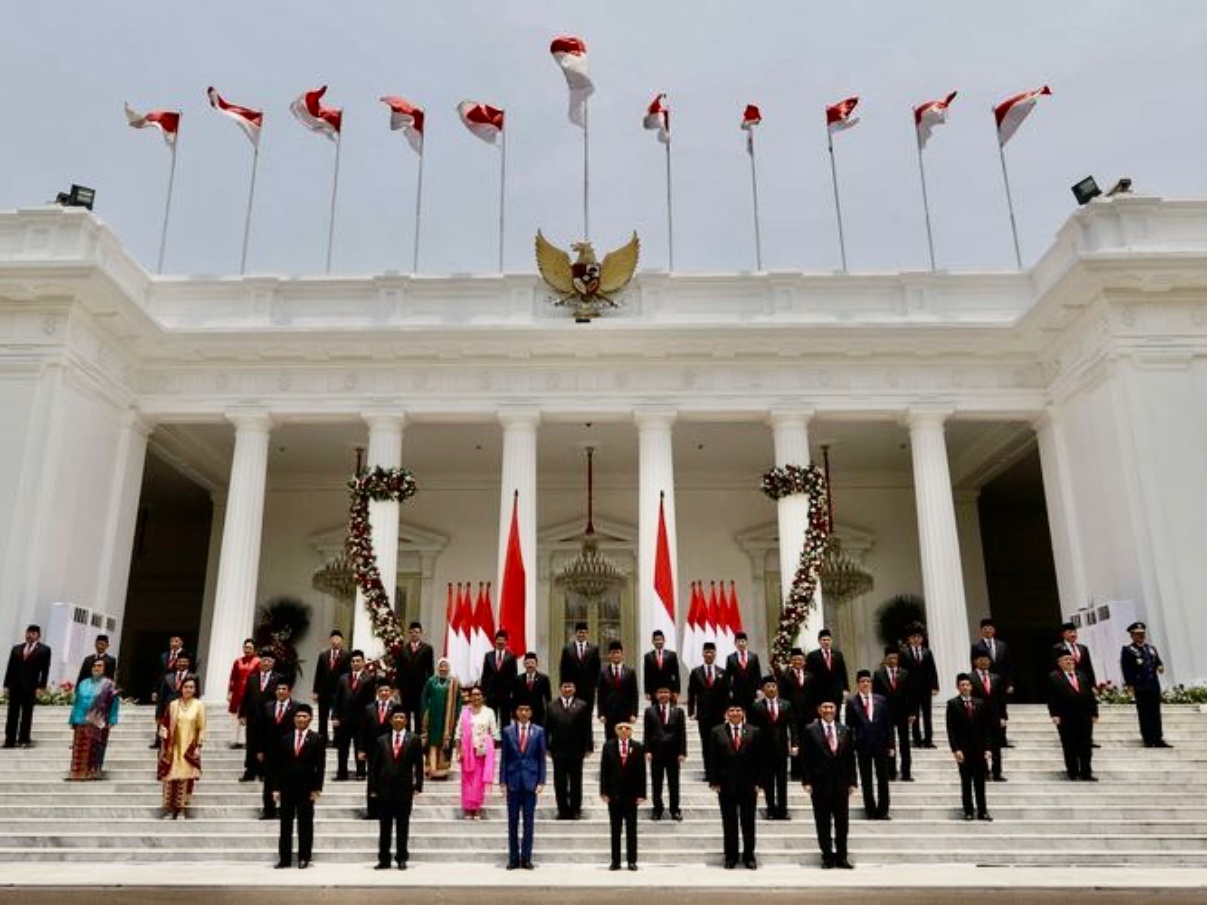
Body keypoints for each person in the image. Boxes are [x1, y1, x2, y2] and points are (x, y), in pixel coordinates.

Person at [801, 700, 857, 869]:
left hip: (841, 784)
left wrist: (852, 781)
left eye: (831, 707)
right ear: (819, 710)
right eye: (825, 707)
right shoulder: (810, 730)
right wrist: (806, 781)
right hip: (820, 784)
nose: (828, 710)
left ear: (836, 710)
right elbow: (805, 758)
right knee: (823, 822)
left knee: (842, 823)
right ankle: (827, 856)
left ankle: (842, 857)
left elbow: (850, 758)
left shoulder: (845, 730)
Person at [272, 703, 325, 869]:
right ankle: (284, 858)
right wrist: (276, 788)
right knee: (285, 824)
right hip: (287, 788)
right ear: (294, 719)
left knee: (305, 824)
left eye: (304, 716)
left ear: (310, 719)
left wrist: (317, 789)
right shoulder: (285, 739)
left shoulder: (317, 739)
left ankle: (304, 857)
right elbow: (278, 765)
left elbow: (320, 766)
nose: (301, 719)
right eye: (298, 716)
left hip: (306, 788)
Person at [709, 703, 761, 870]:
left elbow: (761, 758)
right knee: (729, 822)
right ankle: (730, 856)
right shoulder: (717, 732)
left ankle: (749, 856)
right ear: (726, 714)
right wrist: (714, 781)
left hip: (748, 784)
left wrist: (759, 782)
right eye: (732, 710)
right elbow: (712, 758)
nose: (735, 713)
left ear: (743, 713)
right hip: (726, 784)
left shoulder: (754, 731)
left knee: (748, 822)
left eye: (738, 710)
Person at [372, 706, 424, 870]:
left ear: (406, 721)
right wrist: (373, 788)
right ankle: (384, 859)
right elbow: (374, 767)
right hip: (384, 789)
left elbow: (419, 764)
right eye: (396, 717)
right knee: (384, 827)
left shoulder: (414, 739)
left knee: (403, 826)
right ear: (390, 720)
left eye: (402, 717)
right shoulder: (381, 740)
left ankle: (402, 857)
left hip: (404, 789)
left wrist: (418, 784)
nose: (399, 720)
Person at [500, 702, 546, 870]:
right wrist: (502, 781)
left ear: (531, 712)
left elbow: (541, 758)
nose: (524, 713)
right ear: (516, 712)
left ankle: (526, 858)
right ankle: (513, 858)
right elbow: (504, 758)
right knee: (512, 822)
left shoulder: (539, 731)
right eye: (521, 710)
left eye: (527, 710)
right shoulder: (508, 731)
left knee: (528, 823)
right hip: (512, 781)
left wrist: (541, 781)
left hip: (530, 782)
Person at [844, 670, 893, 820]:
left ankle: (883, 810)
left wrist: (891, 745)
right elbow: (849, 727)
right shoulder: (852, 702)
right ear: (858, 684)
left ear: (871, 683)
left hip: (880, 744)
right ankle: (870, 810)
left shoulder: (881, 700)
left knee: (883, 778)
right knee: (866, 779)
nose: (865, 684)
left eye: (868, 681)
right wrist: (851, 745)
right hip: (862, 745)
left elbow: (888, 724)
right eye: (862, 681)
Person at [945, 673, 993, 821]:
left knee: (980, 782)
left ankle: (983, 811)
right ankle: (968, 811)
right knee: (966, 782)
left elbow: (987, 728)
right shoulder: (952, 704)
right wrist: (955, 749)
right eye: (962, 685)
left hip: (979, 749)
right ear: (958, 687)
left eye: (967, 685)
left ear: (971, 687)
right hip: (963, 750)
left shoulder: (980, 703)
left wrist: (988, 748)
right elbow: (951, 729)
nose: (965, 687)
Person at [157, 676, 205, 819]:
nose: (188, 689)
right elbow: (165, 724)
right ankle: (170, 809)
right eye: (186, 687)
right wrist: (164, 744)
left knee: (184, 778)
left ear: (195, 689)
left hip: (188, 749)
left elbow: (202, 727)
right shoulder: (173, 705)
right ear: (181, 688)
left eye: (191, 687)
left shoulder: (199, 705)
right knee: (170, 777)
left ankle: (181, 810)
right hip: (172, 748)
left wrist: (198, 746)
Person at [600, 720, 646, 871]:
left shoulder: (638, 747)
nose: (624, 730)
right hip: (614, 795)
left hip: (631, 795)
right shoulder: (608, 746)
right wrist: (604, 792)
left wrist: (642, 793)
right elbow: (604, 770)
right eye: (621, 728)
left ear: (631, 731)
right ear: (616, 731)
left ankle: (632, 861)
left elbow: (641, 772)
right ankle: (616, 861)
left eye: (627, 728)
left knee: (631, 830)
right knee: (615, 830)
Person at [1047, 651, 1099, 781]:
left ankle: (1086, 772)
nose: (1069, 662)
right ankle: (1073, 772)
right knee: (1070, 745)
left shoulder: (1082, 675)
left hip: (1084, 716)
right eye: (1066, 660)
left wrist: (1094, 712)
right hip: (1066, 716)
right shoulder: (1054, 677)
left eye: (1071, 659)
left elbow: (1090, 696)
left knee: (1085, 746)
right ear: (1059, 663)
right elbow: (1051, 698)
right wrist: (1054, 714)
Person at [751, 675, 796, 820]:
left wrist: (794, 743)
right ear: (763, 689)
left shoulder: (786, 704)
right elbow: (753, 729)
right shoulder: (757, 706)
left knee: (782, 781)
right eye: (768, 687)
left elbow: (792, 726)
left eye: (773, 686)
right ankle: (770, 809)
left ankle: (783, 809)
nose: (771, 689)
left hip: (781, 748)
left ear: (777, 688)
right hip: (764, 749)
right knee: (768, 781)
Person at [546, 679, 592, 820]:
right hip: (558, 750)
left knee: (576, 782)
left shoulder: (582, 706)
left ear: (574, 689)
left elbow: (587, 728)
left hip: (576, 751)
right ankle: (562, 810)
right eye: (565, 687)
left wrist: (588, 747)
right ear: (560, 689)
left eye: (570, 687)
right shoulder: (551, 706)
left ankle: (575, 809)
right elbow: (547, 728)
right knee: (559, 783)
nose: (567, 689)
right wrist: (546, 747)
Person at [67, 658, 120, 780]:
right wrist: (72, 719)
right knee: (80, 747)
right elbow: (77, 703)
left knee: (96, 748)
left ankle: (93, 772)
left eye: (99, 666)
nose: (96, 668)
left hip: (99, 721)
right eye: (94, 666)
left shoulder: (109, 684)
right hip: (81, 720)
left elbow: (114, 703)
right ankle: (77, 773)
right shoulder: (83, 683)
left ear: (104, 669)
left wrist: (112, 720)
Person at [1121, 622, 1171, 748]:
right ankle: (1148, 738)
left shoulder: (1151, 649)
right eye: (1138, 634)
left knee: (1155, 712)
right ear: (1132, 635)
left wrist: (1160, 666)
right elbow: (1126, 669)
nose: (1141, 636)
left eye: (1142, 634)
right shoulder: (1128, 650)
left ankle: (1158, 738)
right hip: (1140, 686)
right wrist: (1130, 685)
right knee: (1144, 713)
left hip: (1153, 685)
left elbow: (1158, 662)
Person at [643, 684, 687, 821]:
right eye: (660, 692)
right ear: (656, 695)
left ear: (671, 695)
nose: (663, 695)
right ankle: (657, 809)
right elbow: (647, 732)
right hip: (656, 752)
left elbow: (682, 733)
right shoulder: (649, 711)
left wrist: (682, 752)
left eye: (666, 692)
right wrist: (647, 750)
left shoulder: (678, 711)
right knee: (656, 783)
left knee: (674, 783)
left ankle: (675, 810)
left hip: (673, 752)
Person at [454, 685, 499, 820]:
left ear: (483, 697)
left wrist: (490, 748)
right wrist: (459, 750)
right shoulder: (464, 712)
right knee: (468, 781)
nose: (476, 697)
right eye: (473, 694)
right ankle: (468, 808)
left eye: (478, 694)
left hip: (483, 752)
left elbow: (494, 733)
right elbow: (458, 733)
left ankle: (477, 808)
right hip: (468, 752)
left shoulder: (489, 712)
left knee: (479, 782)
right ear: (470, 697)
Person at [255, 680, 298, 819]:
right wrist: (260, 749)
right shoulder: (267, 706)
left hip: (290, 751)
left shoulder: (296, 707)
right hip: (270, 751)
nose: (280, 691)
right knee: (269, 782)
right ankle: (269, 810)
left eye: (284, 688)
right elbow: (260, 729)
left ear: (289, 691)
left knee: (289, 781)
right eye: (278, 689)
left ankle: (288, 810)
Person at [4, 624, 51, 749]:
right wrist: (6, 685)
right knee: (12, 714)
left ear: (38, 636)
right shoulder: (16, 649)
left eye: (33, 633)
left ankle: (24, 739)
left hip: (30, 687)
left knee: (26, 714)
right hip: (15, 686)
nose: (30, 635)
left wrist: (41, 686)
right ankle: (10, 740)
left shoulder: (44, 650)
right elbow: (10, 667)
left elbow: (45, 670)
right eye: (28, 633)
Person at [688, 642, 729, 781]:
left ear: (715, 654)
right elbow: (691, 693)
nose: (709, 654)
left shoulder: (722, 672)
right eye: (706, 652)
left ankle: (719, 772)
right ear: (703, 654)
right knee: (706, 743)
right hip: (703, 714)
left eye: (711, 652)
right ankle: (709, 773)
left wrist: (727, 711)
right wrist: (691, 711)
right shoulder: (696, 672)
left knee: (719, 743)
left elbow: (726, 694)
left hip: (719, 714)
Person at [238, 649, 280, 782]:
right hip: (253, 717)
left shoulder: (278, 678)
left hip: (269, 718)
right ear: (260, 662)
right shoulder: (252, 678)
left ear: (273, 663)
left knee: (267, 744)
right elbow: (245, 697)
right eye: (264, 660)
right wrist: (242, 714)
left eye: (269, 661)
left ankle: (264, 772)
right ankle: (250, 771)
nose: (266, 663)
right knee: (251, 743)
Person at [332, 650, 375, 780]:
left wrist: (370, 718)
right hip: (344, 719)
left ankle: (361, 772)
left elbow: (371, 701)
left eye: (358, 661)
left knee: (360, 746)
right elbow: (337, 698)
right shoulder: (343, 678)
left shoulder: (369, 679)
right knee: (342, 747)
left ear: (363, 662)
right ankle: (342, 773)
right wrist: (335, 716)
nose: (355, 663)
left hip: (361, 719)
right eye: (353, 661)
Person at [873, 646, 914, 781]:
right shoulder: (878, 674)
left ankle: (906, 772)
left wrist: (912, 712)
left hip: (902, 712)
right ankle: (891, 772)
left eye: (895, 658)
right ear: (885, 659)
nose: (893, 660)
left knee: (904, 743)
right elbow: (876, 696)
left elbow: (910, 694)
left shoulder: (905, 673)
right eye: (890, 658)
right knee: (889, 743)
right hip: (886, 714)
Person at [360, 679, 399, 819]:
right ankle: (372, 810)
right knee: (372, 779)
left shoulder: (396, 708)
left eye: (386, 690)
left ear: (391, 692)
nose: (384, 693)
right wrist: (361, 749)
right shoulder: (369, 708)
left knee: (390, 779)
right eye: (381, 690)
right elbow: (362, 730)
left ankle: (390, 810)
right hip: (373, 750)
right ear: (377, 692)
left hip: (391, 750)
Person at [970, 618, 1013, 745]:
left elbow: (1008, 666)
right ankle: (986, 738)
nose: (988, 630)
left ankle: (1002, 738)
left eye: (990, 628)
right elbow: (973, 665)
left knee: (1001, 709)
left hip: (1000, 683)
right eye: (985, 628)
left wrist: (1010, 683)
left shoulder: (1002, 645)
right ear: (981, 630)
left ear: (994, 630)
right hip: (983, 682)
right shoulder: (976, 646)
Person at [968, 652, 1008, 781]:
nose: (984, 662)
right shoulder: (970, 678)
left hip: (994, 717)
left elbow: (1001, 699)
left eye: (987, 659)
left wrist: (1003, 716)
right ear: (975, 662)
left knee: (996, 746)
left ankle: (997, 773)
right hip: (977, 717)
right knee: (980, 745)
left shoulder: (996, 677)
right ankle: (983, 772)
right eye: (981, 659)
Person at [420, 658, 460, 779]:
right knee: (432, 743)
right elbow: (424, 697)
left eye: (445, 666)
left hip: (447, 719)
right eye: (441, 666)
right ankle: (431, 768)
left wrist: (456, 716)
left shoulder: (453, 683)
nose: (443, 669)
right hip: (433, 718)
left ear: (449, 668)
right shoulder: (431, 681)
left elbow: (458, 701)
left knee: (444, 743)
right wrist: (426, 712)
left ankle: (442, 771)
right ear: (438, 668)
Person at [901, 623, 939, 748]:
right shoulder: (904, 653)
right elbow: (902, 672)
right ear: (909, 639)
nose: (916, 639)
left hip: (925, 688)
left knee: (927, 714)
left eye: (918, 637)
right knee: (914, 714)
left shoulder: (927, 652)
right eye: (913, 637)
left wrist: (935, 686)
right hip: (911, 689)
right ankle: (917, 739)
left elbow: (932, 670)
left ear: (922, 639)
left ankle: (928, 739)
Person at [311, 629, 349, 742]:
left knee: (337, 716)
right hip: (324, 691)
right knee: (323, 716)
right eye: (333, 638)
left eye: (337, 639)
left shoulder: (346, 656)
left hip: (339, 692)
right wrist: (315, 691)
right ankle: (322, 739)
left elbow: (347, 675)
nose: (335, 641)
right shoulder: (323, 655)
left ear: (341, 641)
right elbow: (318, 674)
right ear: (330, 640)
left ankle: (337, 739)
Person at [778, 647, 810, 780]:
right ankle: (796, 772)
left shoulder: (810, 676)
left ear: (804, 661)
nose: (798, 662)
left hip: (808, 714)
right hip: (792, 713)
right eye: (795, 659)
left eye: (800, 659)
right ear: (791, 661)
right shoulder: (785, 676)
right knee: (795, 741)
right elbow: (782, 696)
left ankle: (807, 771)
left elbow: (815, 695)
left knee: (808, 741)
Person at [396, 622, 434, 733]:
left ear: (420, 633)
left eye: (416, 632)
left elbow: (430, 670)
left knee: (419, 714)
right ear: (409, 633)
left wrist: (429, 686)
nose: (414, 634)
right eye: (412, 632)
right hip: (406, 688)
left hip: (420, 688)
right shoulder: (403, 649)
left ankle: (417, 738)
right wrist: (398, 687)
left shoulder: (427, 649)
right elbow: (399, 670)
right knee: (405, 713)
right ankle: (406, 735)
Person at [597, 641, 639, 743]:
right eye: (613, 653)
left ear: (622, 654)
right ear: (609, 655)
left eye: (618, 652)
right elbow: (600, 694)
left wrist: (634, 713)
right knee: (610, 741)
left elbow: (634, 694)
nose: (616, 655)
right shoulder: (603, 673)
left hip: (625, 712)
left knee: (625, 740)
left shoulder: (630, 672)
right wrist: (601, 713)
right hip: (609, 713)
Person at [559, 622, 601, 721]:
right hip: (572, 688)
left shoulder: (594, 649)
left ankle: (587, 732)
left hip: (588, 688)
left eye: (584, 632)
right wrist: (563, 685)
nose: (581, 634)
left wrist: (596, 685)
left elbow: (597, 668)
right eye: (579, 632)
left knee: (587, 714)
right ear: (576, 633)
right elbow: (563, 668)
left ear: (587, 633)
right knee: (572, 714)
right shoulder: (567, 649)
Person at [804, 628, 849, 713]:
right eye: (824, 640)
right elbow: (808, 675)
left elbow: (843, 672)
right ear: (819, 641)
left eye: (828, 640)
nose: (826, 642)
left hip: (836, 692)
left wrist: (846, 689)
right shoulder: (812, 656)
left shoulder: (838, 655)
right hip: (819, 693)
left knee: (835, 715)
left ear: (831, 641)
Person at [226, 639, 260, 750]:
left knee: (248, 717)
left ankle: (245, 740)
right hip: (237, 692)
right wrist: (230, 692)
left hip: (251, 693)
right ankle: (234, 740)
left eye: (250, 648)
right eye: (246, 647)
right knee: (235, 717)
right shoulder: (238, 661)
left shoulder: (258, 662)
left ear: (254, 649)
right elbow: (233, 678)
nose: (247, 650)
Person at [480, 630, 517, 729]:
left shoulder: (511, 656)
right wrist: (484, 693)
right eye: (498, 640)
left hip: (506, 695)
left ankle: (505, 738)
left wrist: (513, 693)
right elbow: (485, 676)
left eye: (502, 640)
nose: (500, 642)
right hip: (491, 694)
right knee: (491, 720)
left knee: (506, 720)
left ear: (506, 642)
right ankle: (492, 738)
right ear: (495, 641)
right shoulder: (488, 656)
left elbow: (514, 677)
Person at [511, 651, 552, 728]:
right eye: (527, 663)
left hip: (538, 714)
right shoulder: (518, 679)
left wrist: (549, 715)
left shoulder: (543, 679)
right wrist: (514, 715)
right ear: (524, 664)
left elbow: (548, 699)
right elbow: (514, 698)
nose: (530, 665)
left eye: (532, 663)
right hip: (523, 714)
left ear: (536, 664)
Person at [725, 632, 762, 714]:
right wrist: (729, 690)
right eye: (738, 642)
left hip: (751, 691)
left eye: (743, 641)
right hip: (737, 691)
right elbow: (727, 676)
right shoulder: (730, 658)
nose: (741, 644)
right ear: (735, 643)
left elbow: (758, 674)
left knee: (752, 712)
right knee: (739, 712)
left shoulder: (753, 656)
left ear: (746, 642)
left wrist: (759, 689)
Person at [1052, 621, 1097, 687]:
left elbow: (1089, 668)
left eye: (1075, 632)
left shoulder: (1083, 648)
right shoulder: (1058, 648)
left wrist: (1093, 684)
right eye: (1070, 632)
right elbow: (1056, 667)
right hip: (1068, 682)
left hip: (1084, 682)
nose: (1073, 634)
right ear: (1063, 634)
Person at [642, 630, 680, 702]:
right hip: (654, 690)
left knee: (670, 709)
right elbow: (646, 675)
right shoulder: (648, 656)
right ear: (652, 641)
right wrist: (647, 692)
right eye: (656, 640)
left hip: (669, 690)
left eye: (660, 639)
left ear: (664, 640)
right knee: (655, 709)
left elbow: (676, 674)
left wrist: (676, 691)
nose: (658, 642)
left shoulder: (672, 655)